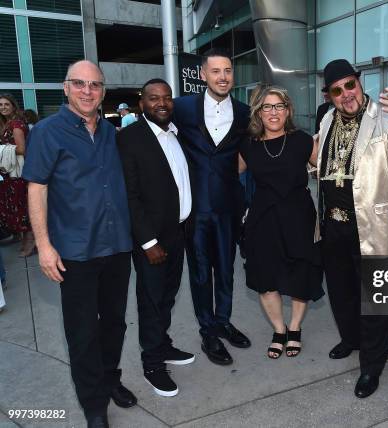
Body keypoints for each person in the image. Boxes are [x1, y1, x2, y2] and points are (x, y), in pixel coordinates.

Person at [23, 60, 136, 428]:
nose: (88, 91)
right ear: (65, 87)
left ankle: (108, 379)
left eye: (95, 85)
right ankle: (94, 406)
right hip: (75, 251)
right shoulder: (46, 131)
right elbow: (36, 187)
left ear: (103, 90)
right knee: (83, 332)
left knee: (115, 324)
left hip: (117, 246)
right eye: (80, 84)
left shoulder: (109, 130)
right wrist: (44, 245)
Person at [316, 58, 388, 398]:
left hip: (373, 227)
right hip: (333, 227)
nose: (346, 94)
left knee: (374, 304)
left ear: (359, 83)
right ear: (329, 95)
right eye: (337, 90)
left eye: (350, 85)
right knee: (342, 293)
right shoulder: (326, 118)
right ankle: (350, 339)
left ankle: (371, 366)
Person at [173, 48, 251, 366]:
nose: (223, 77)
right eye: (216, 71)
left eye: (228, 71)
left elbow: (247, 154)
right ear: (203, 75)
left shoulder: (245, 112)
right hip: (194, 209)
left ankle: (223, 322)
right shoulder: (182, 108)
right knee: (201, 273)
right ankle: (207, 331)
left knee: (226, 271)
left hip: (229, 207)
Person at [117, 78, 195, 398]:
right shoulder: (130, 138)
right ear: (142, 104)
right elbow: (130, 196)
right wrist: (148, 242)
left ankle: (162, 346)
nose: (161, 103)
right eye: (153, 98)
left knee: (167, 296)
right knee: (151, 300)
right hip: (153, 240)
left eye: (166, 98)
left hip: (179, 232)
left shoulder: (177, 133)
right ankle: (152, 364)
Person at [238, 85, 323, 359]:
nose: (273, 112)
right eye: (267, 107)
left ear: (288, 111)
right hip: (262, 219)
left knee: (300, 274)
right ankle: (279, 329)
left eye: (279, 106)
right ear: (258, 112)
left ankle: (295, 327)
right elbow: (225, 176)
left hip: (299, 216)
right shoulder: (247, 145)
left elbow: (329, 172)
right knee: (265, 278)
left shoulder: (303, 140)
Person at [0, 93, 35, 257]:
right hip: (10, 173)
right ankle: (25, 238)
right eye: (0, 105)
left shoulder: (15, 124)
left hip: (19, 175)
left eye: (6, 104)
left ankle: (31, 240)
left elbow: (22, 149)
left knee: (22, 209)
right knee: (17, 208)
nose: (3, 107)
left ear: (13, 106)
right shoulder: (6, 123)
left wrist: (1, 150)